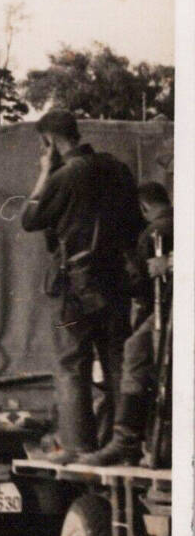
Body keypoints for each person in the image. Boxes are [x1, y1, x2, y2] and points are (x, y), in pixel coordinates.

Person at [20, 109, 142, 463]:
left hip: (75, 289)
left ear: (50, 142)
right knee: (118, 358)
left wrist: (45, 173)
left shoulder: (64, 176)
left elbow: (29, 218)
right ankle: (125, 444)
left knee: (72, 360)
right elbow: (134, 224)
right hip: (116, 283)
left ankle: (78, 445)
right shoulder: (118, 169)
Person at [80, 181, 172, 465]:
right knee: (139, 350)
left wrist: (168, 264)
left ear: (143, 209)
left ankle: (128, 441)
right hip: (172, 307)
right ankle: (130, 441)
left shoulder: (154, 231)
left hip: (174, 309)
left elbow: (141, 283)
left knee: (142, 354)